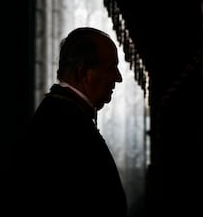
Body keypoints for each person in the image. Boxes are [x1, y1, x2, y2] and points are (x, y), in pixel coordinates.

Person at [13, 27, 127, 216]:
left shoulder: (63, 111)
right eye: (111, 67)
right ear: (83, 73)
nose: (118, 77)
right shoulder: (65, 125)